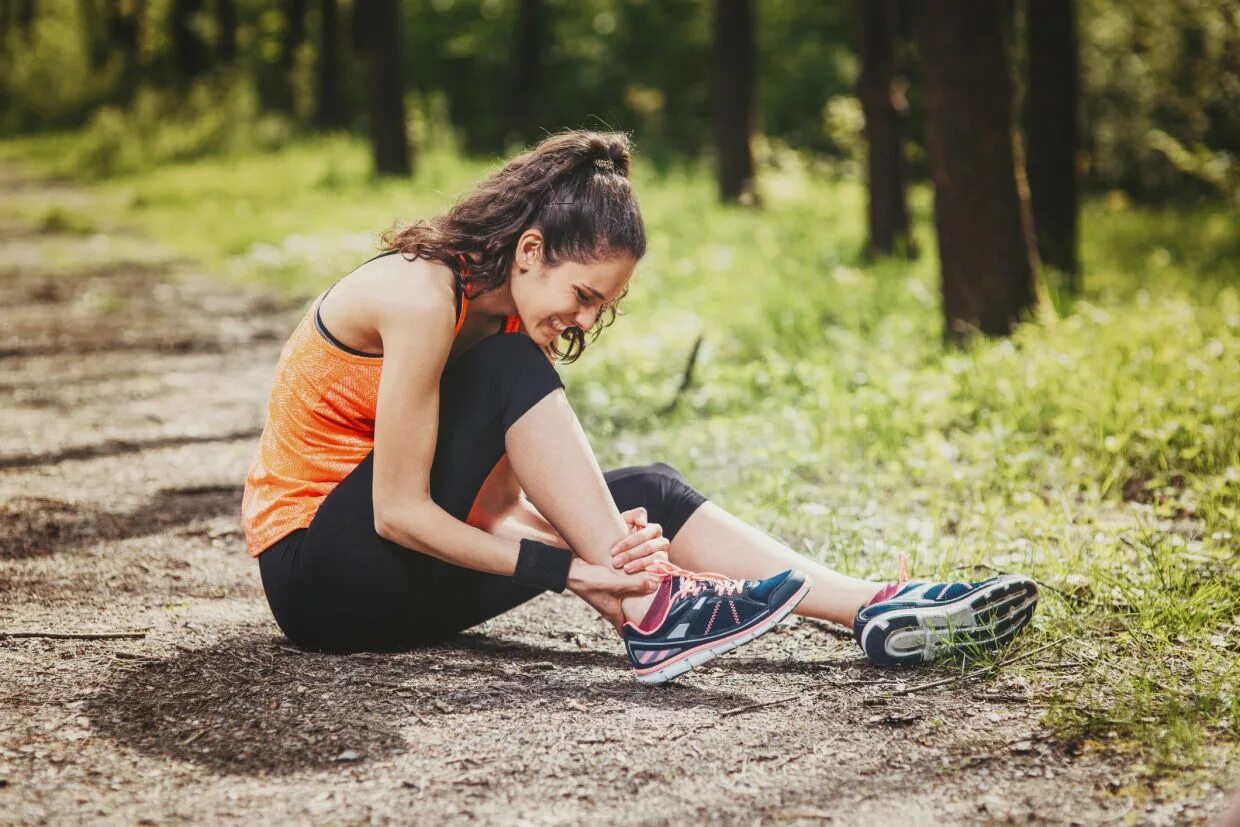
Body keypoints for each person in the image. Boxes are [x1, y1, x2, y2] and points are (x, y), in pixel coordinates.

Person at [241, 130, 1039, 684]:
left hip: (397, 586)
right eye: (584, 295)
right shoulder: (420, 296)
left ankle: (870, 606)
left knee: (645, 494)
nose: (586, 321)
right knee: (527, 392)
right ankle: (655, 614)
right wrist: (577, 568)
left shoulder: (509, 321)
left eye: (603, 308)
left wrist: (615, 557)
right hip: (320, 579)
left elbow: (491, 512)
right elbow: (400, 514)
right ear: (529, 251)